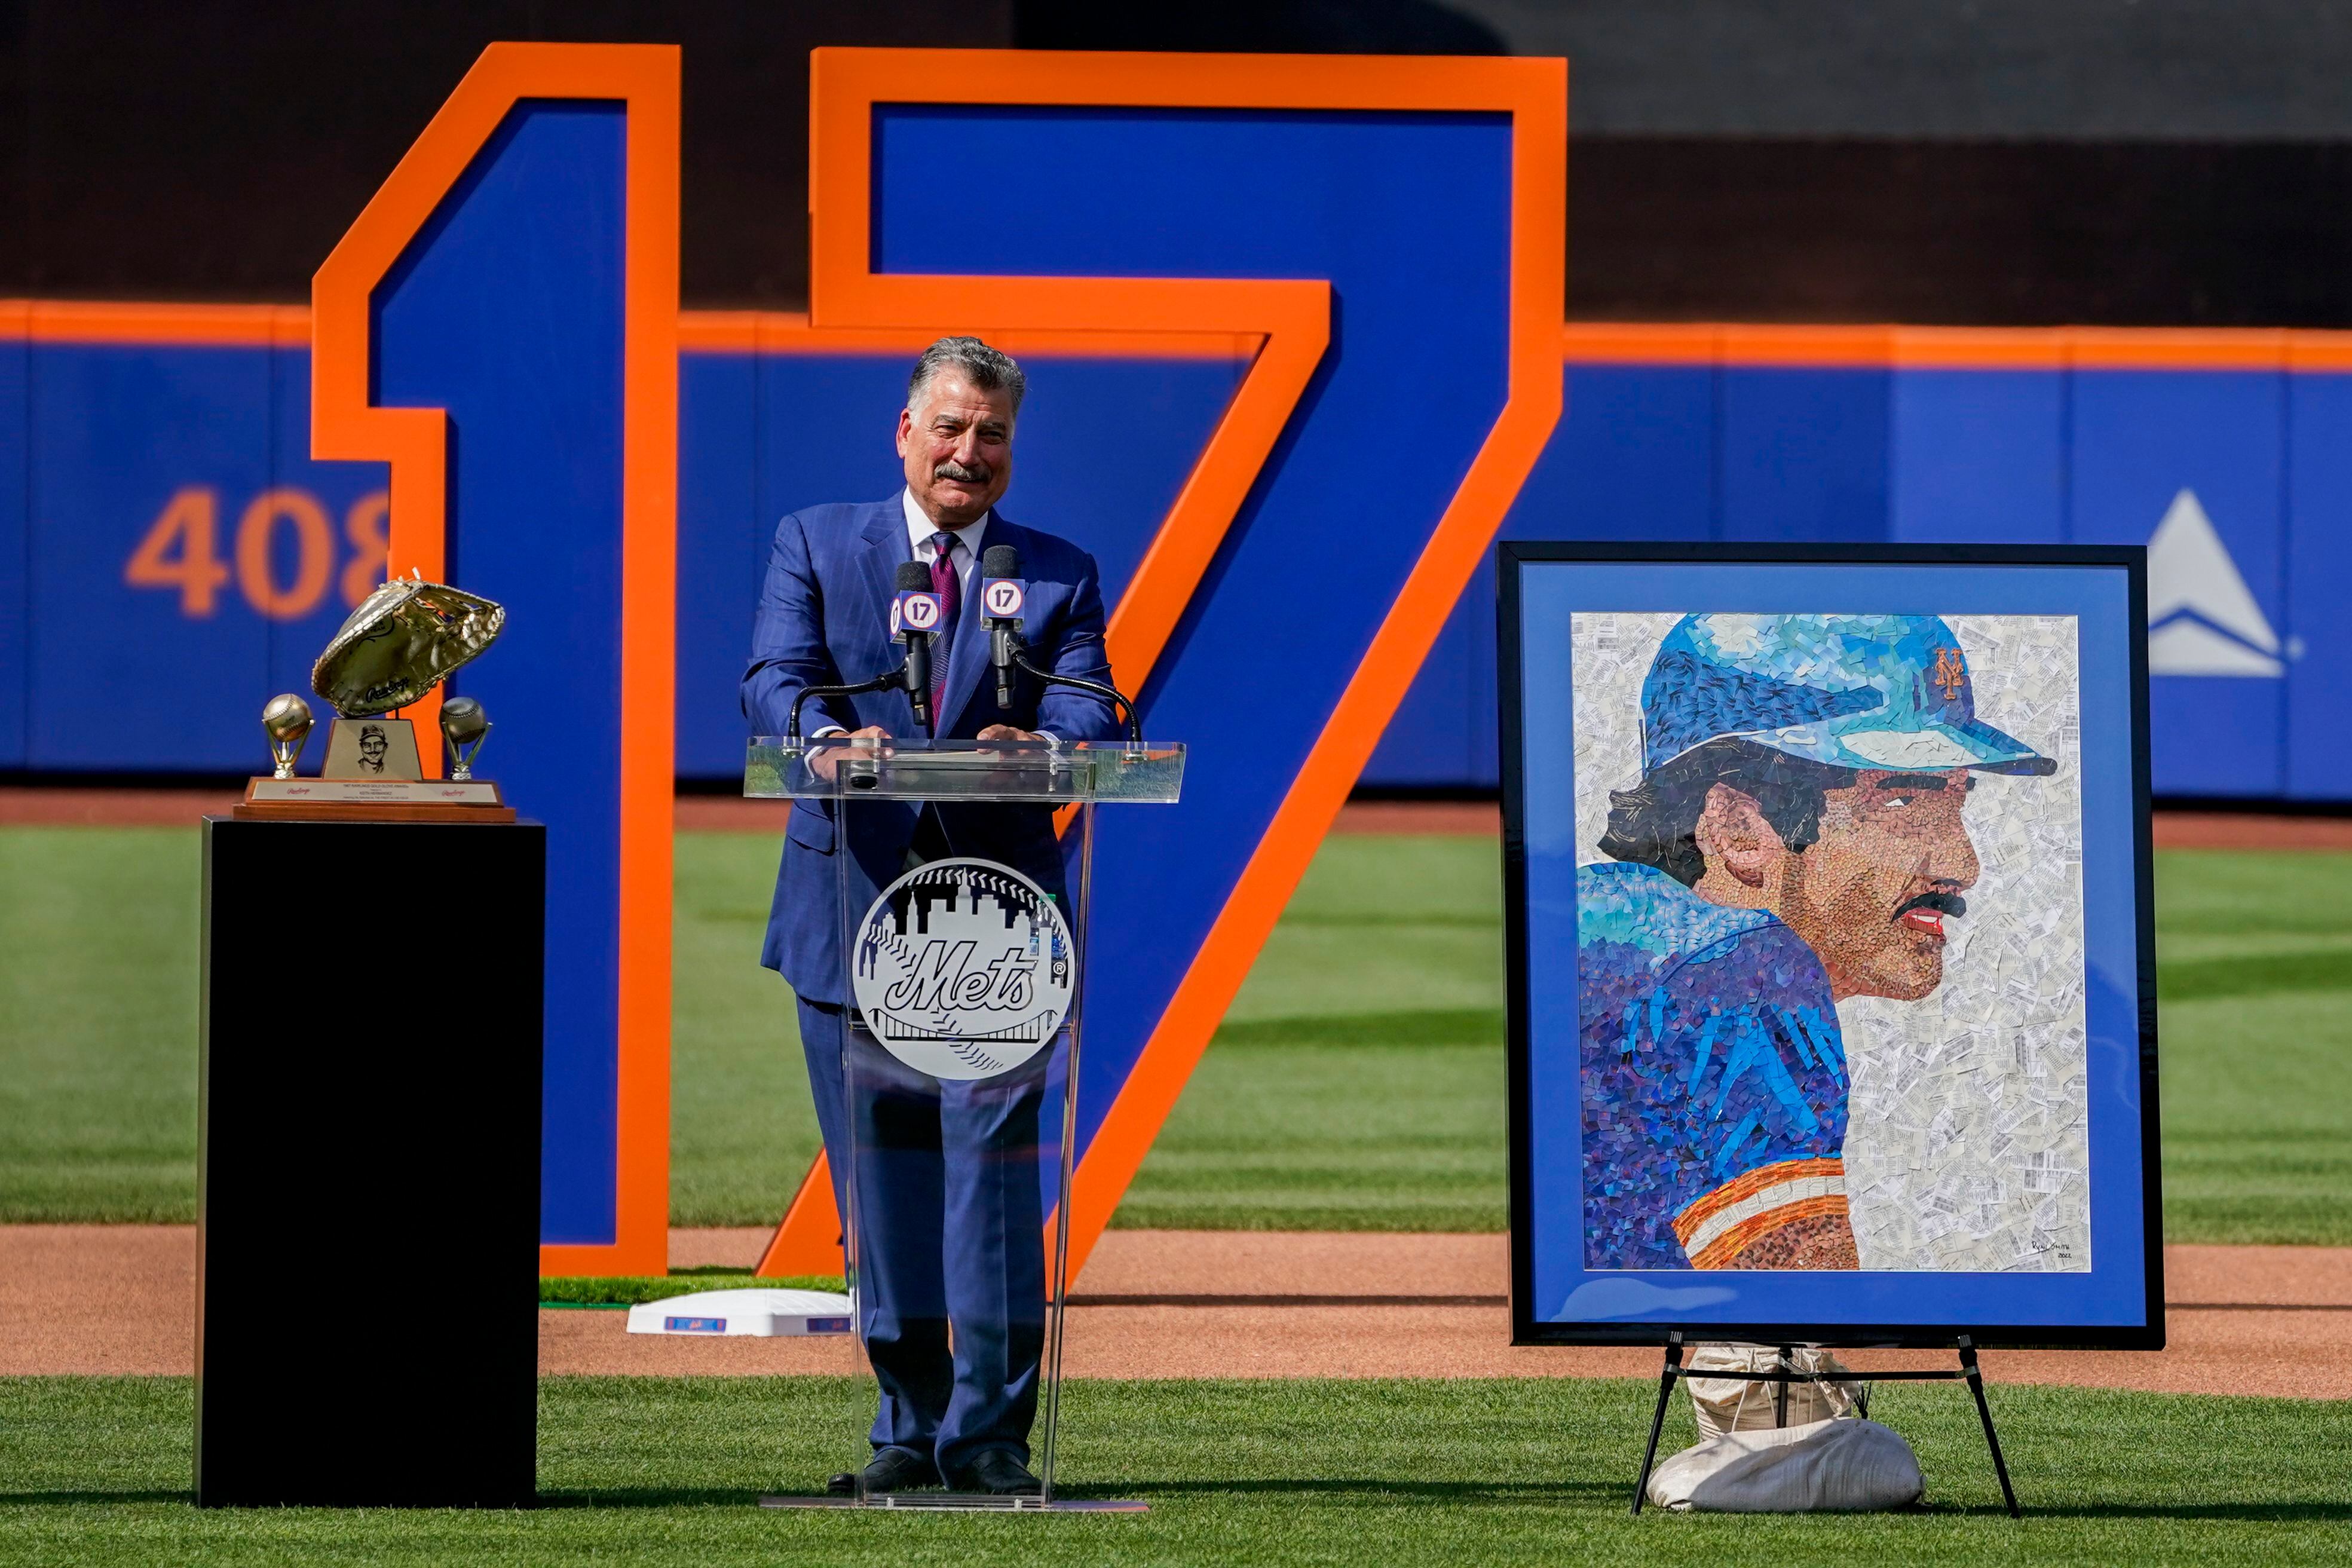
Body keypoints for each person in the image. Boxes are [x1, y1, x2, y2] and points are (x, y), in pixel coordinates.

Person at [741, 337, 1119, 1496]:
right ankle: (909, 1426)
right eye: (949, 428)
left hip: (996, 933)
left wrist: (1049, 745)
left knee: (998, 1189)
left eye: (991, 433)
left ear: (1013, 446)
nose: (968, 451)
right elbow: (771, 680)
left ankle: (994, 1437)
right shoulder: (816, 540)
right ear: (904, 433)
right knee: (884, 1196)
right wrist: (820, 737)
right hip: (853, 917)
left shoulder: (1053, 573)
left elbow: (1095, 702)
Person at [1577, 614, 2055, 1270]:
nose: (1960, 862)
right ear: (1740, 826)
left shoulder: (1597, 919)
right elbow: (1790, 1322)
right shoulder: (1742, 970)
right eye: (1900, 803)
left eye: (1956, 802)